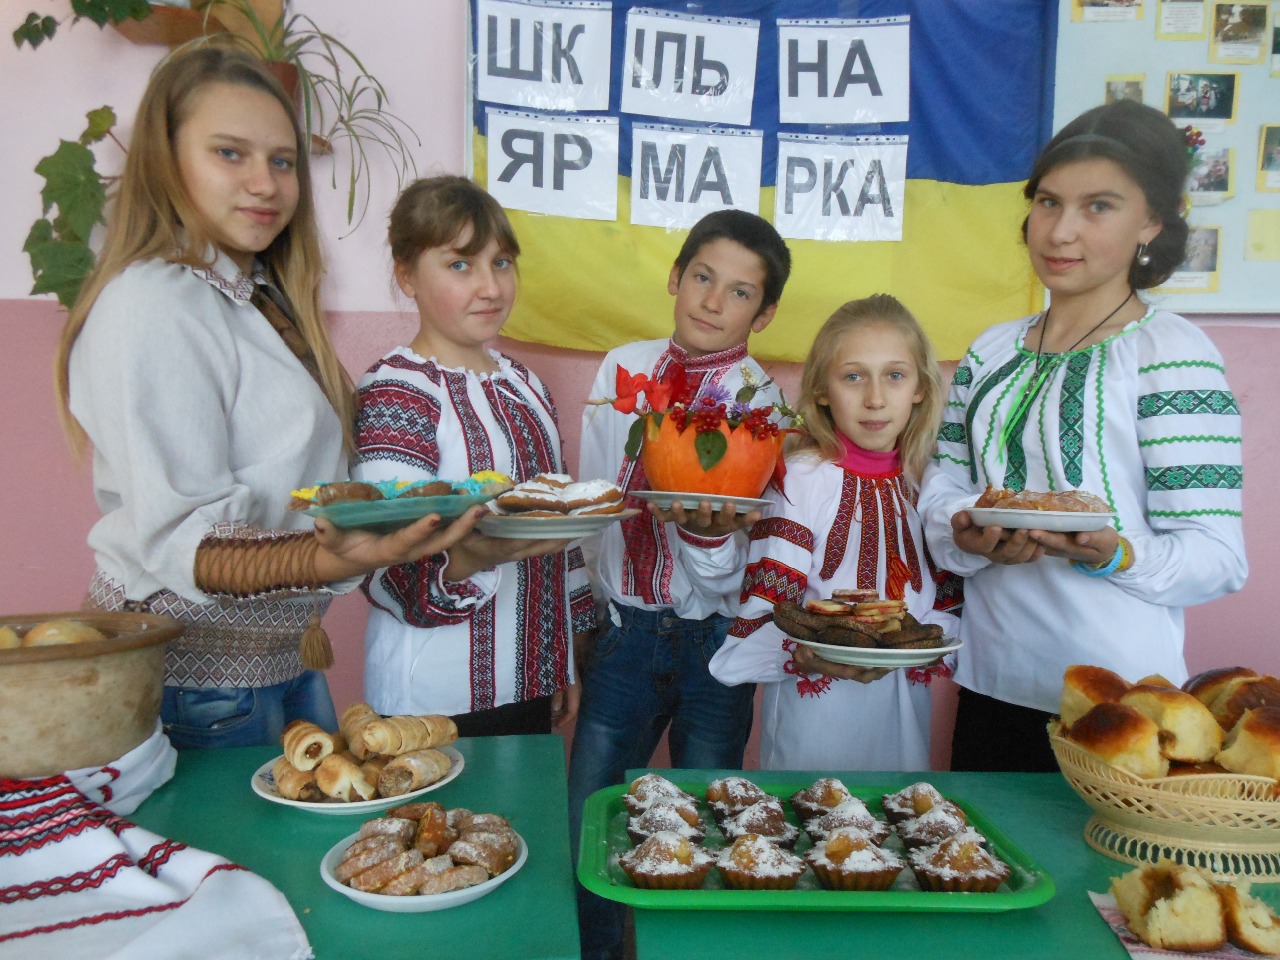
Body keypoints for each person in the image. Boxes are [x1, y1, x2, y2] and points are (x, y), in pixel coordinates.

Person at [55, 44, 482, 750]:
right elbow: (188, 542)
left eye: (283, 161)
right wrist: (338, 558)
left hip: (275, 663)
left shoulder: (253, 295)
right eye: (230, 153)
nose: (265, 184)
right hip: (200, 683)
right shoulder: (153, 301)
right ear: (165, 159)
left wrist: (448, 534)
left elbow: (293, 485)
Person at [918, 99, 1247, 773]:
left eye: (1099, 206)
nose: (1061, 231)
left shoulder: (1170, 353)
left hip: (1120, 707)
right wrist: (965, 533)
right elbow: (944, 482)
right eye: (1048, 202)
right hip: (990, 681)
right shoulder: (991, 349)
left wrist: (1114, 552)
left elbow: (1217, 555)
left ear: (1152, 222)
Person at [569, 209, 791, 960]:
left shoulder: (759, 403)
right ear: (675, 276)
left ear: (764, 313)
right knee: (594, 821)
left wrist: (704, 536)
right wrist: (588, 611)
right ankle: (597, 952)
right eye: (702, 277)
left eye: (739, 292)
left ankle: (690, 952)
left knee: (706, 825)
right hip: (625, 636)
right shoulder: (622, 369)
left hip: (715, 649)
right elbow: (593, 501)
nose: (712, 301)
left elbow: (744, 556)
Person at [351, 175, 595, 737]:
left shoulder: (525, 384)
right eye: (460, 264)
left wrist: (563, 651)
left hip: (530, 677)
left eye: (501, 262)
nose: (490, 287)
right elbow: (387, 567)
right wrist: (478, 554)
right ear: (406, 275)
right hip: (433, 694)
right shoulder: (398, 392)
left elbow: (560, 529)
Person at [709, 295, 961, 771]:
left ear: (921, 389)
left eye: (895, 375)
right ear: (822, 391)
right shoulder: (801, 480)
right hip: (816, 723)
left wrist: (931, 642)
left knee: (900, 809)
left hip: (903, 716)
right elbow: (763, 612)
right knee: (816, 810)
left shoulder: (930, 486)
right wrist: (805, 656)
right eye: (853, 376)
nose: (875, 398)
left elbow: (947, 607)